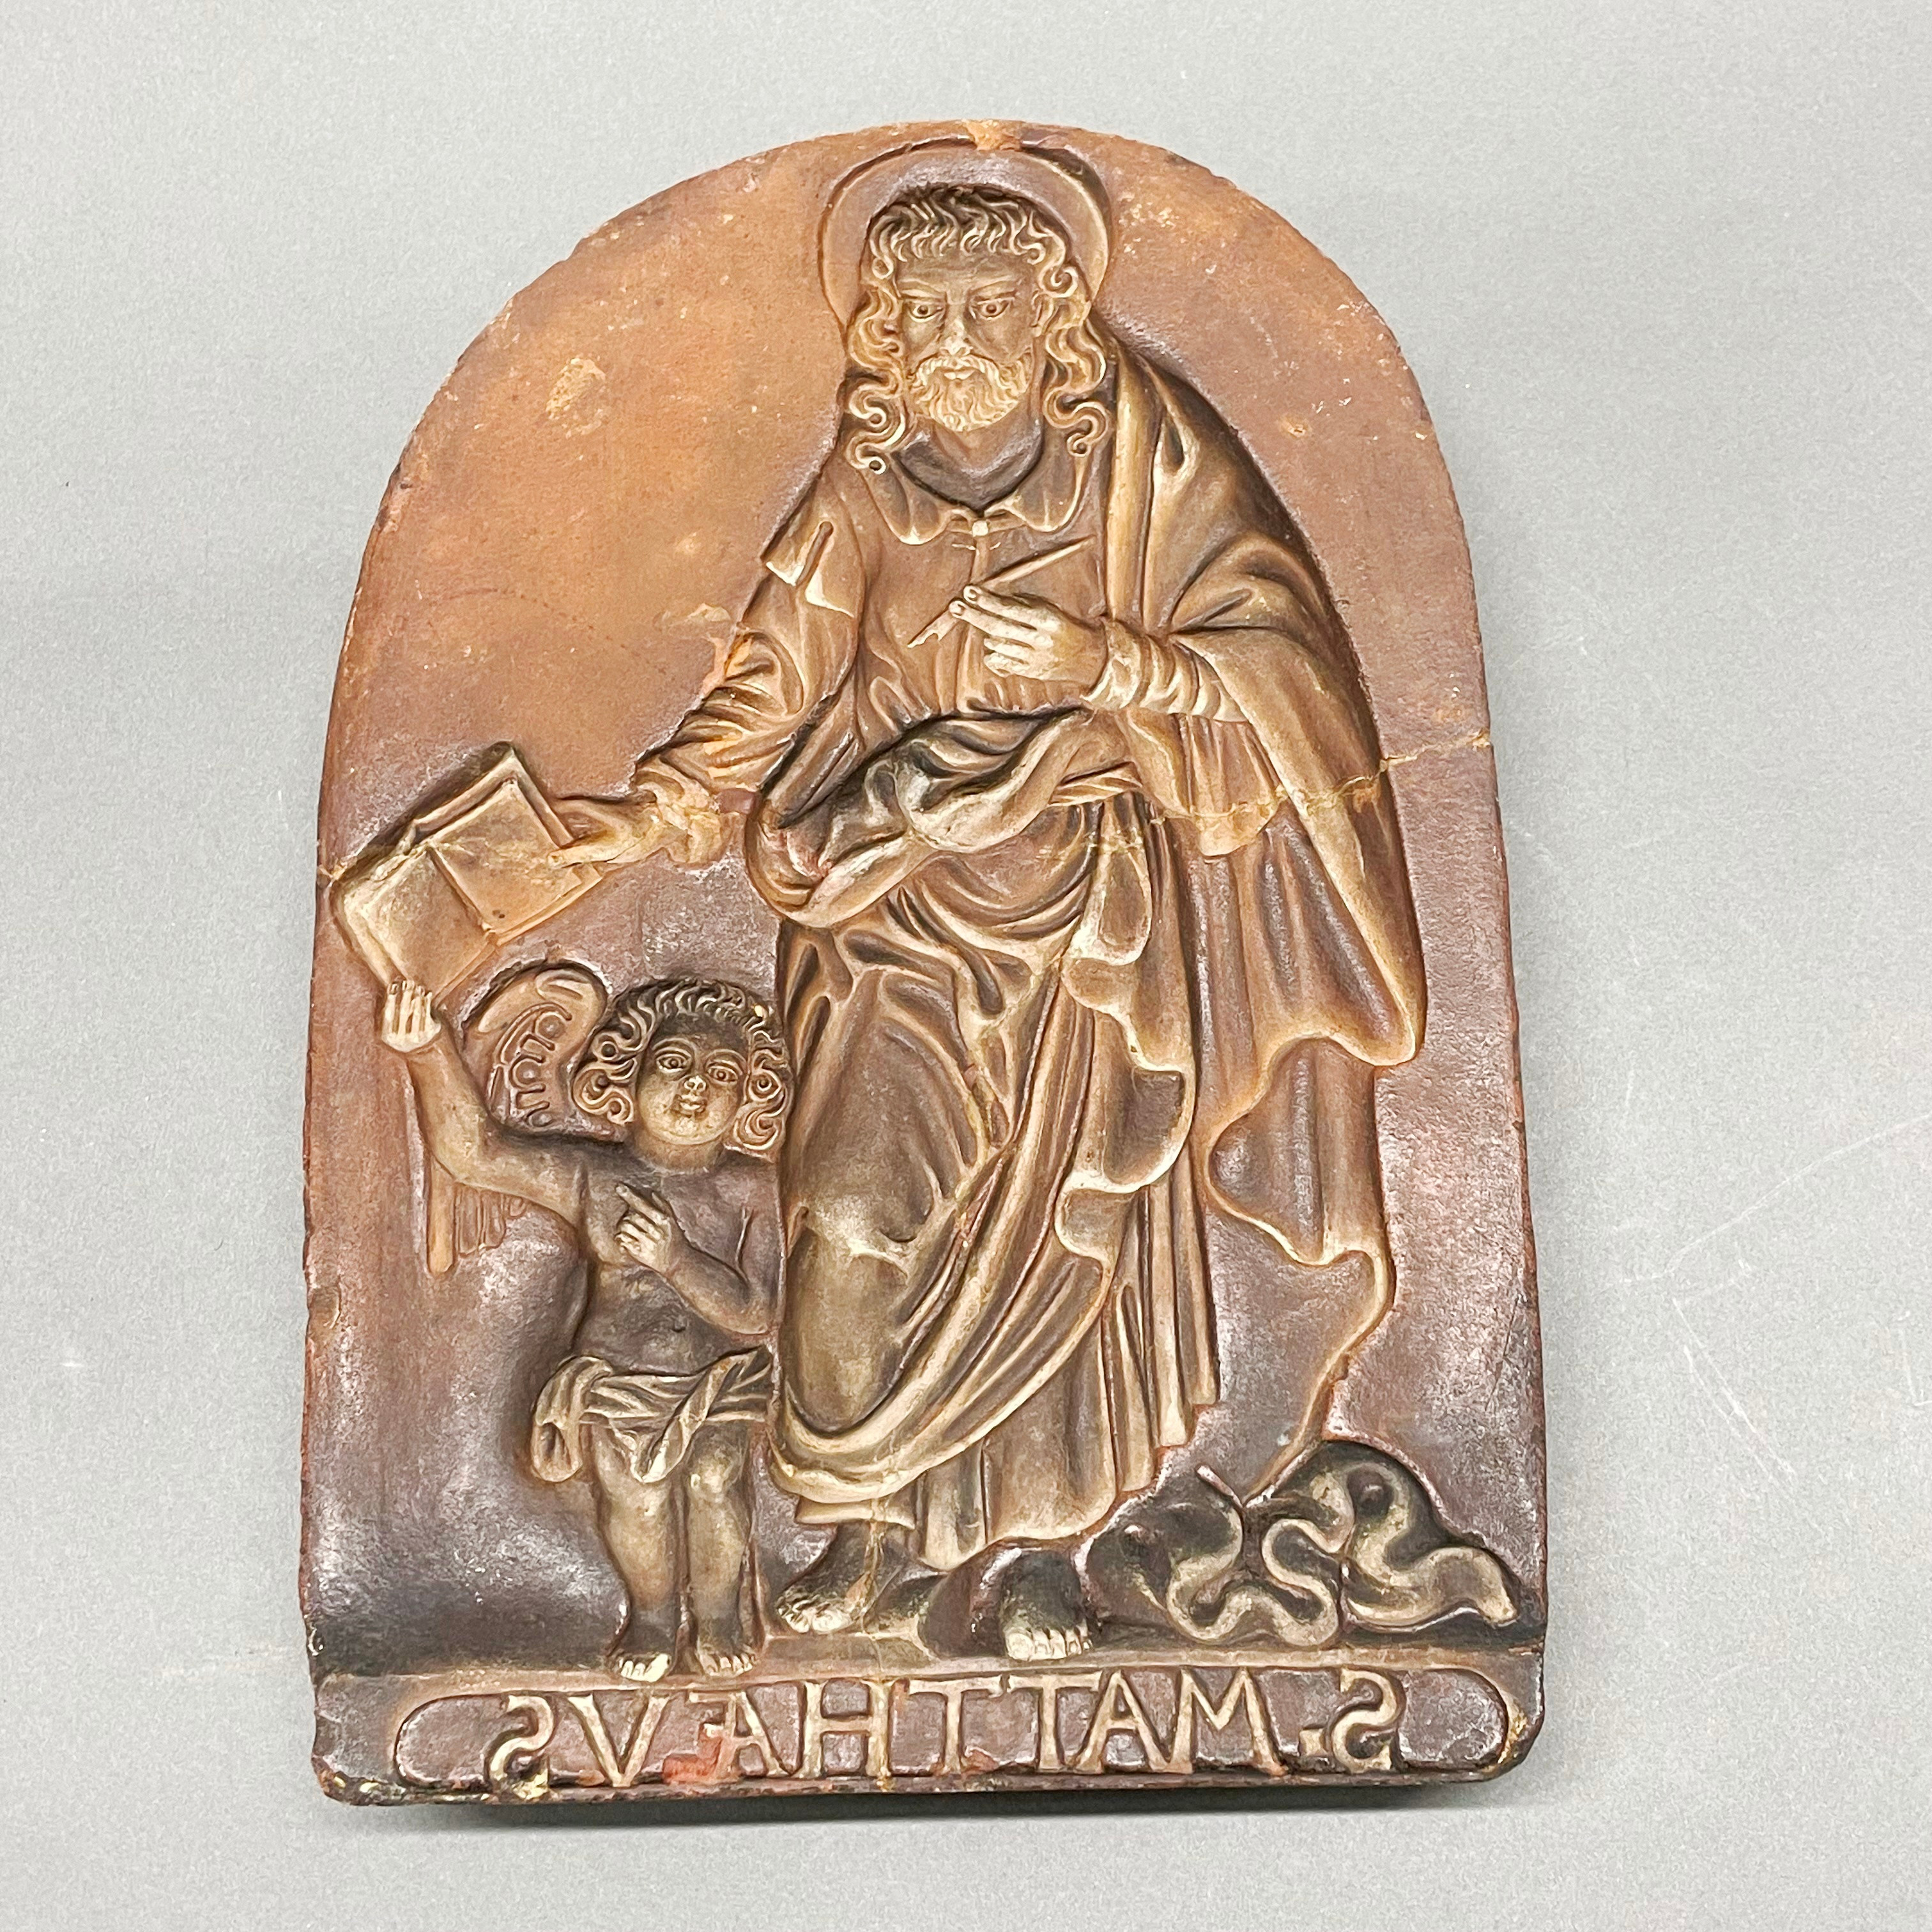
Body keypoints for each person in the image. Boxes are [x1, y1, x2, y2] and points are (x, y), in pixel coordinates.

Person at [553, 157, 1425, 1662]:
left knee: (1066, 1237)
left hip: (1083, 919)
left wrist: (1107, 663)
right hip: (886, 912)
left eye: (988, 306)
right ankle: (870, 1528)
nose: (954, 336)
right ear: (883, 332)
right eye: (925, 311)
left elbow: (1280, 668)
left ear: (1054, 319)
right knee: (849, 1219)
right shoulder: (865, 487)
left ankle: (1040, 1555)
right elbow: (770, 681)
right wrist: (662, 805)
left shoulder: (1140, 468)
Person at [376, 974, 788, 1681]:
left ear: (750, 1097)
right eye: (674, 1063)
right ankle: (653, 1618)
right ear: (626, 1078)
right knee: (636, 1500)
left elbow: (756, 1314)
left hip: (718, 1380)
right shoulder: (594, 1175)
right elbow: (476, 1154)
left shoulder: (750, 1188)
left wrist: (677, 1259)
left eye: (722, 1074)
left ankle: (719, 1615)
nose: (696, 1087)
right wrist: (427, 1050)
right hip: (618, 1380)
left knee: (717, 1481)